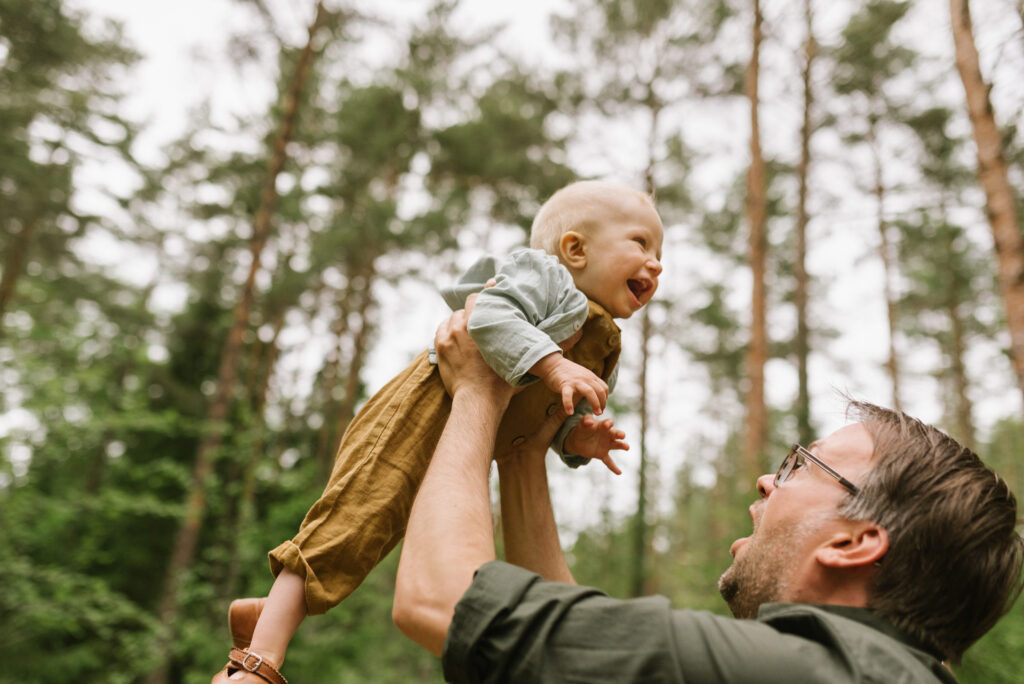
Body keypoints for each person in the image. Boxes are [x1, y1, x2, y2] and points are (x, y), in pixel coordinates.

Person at [392, 295, 1024, 683]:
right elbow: (581, 651)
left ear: (856, 541)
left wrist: (477, 388)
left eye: (801, 465)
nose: (766, 480)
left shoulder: (811, 671)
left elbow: (441, 602)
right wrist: (525, 453)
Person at [213, 180, 664, 683]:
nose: (657, 263)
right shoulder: (546, 279)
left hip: (474, 441)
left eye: (660, 252)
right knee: (357, 518)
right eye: (640, 243)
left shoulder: (604, 342)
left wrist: (579, 437)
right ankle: (257, 662)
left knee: (398, 538)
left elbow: (553, 416)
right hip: (423, 411)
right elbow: (487, 316)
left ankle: (269, 615)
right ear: (575, 250)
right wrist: (555, 366)